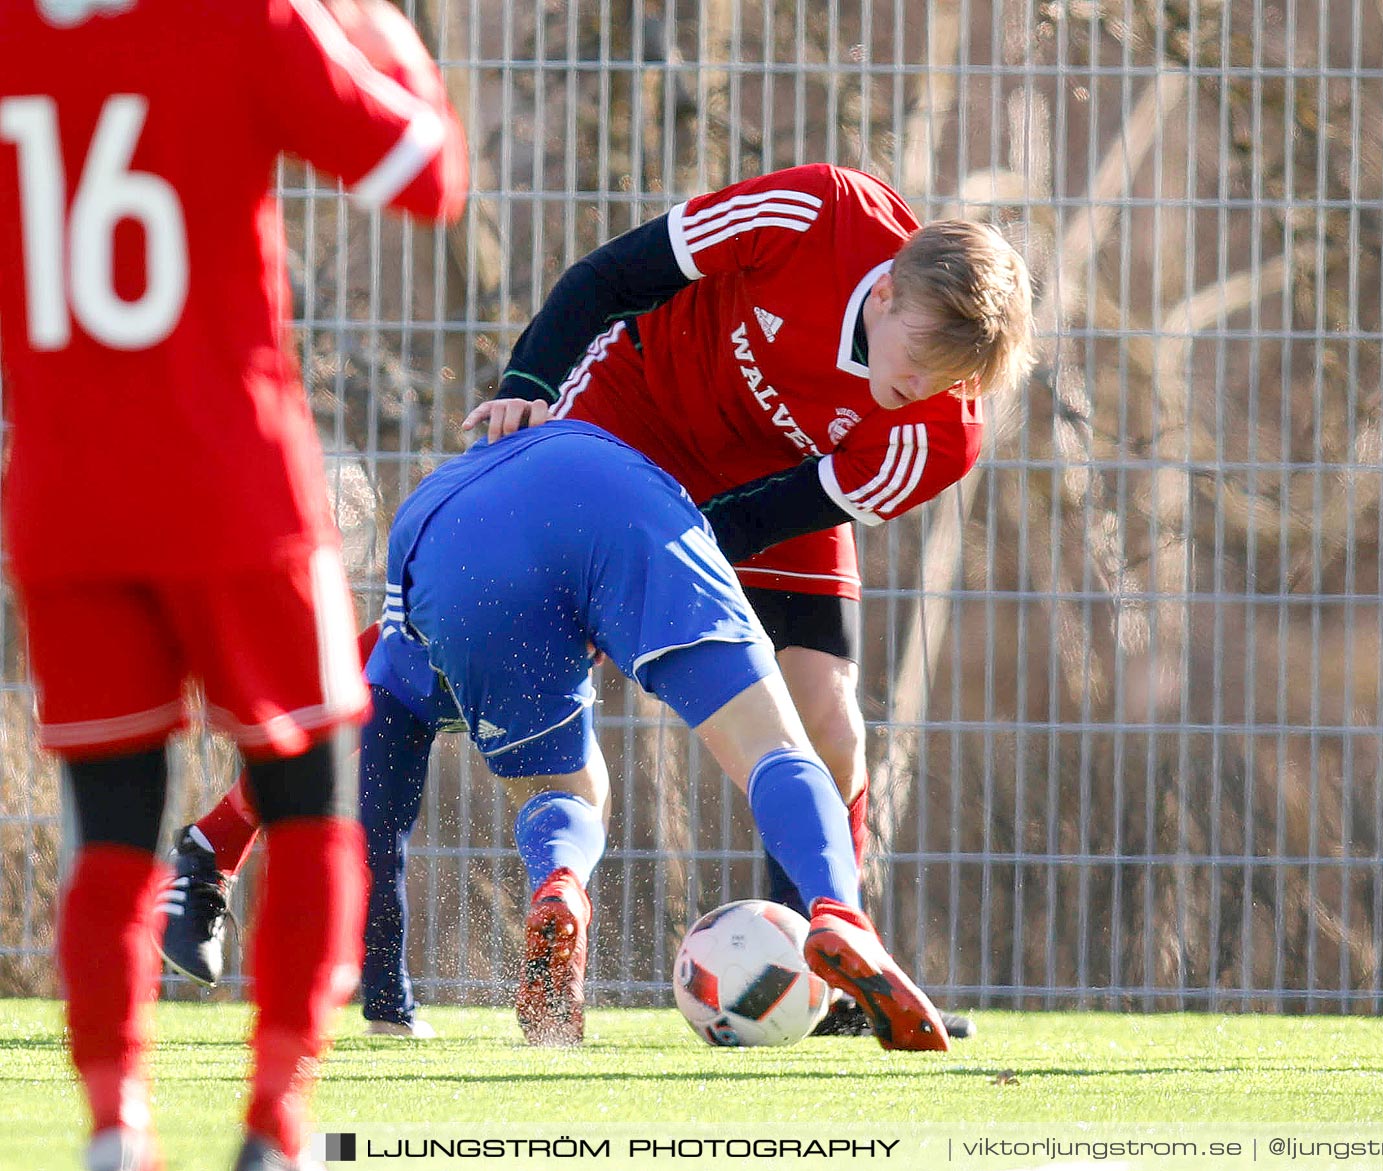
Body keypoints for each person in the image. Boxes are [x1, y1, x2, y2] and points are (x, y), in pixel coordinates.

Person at [161, 163, 1036, 1038]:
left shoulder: (939, 434)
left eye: (949, 382)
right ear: (881, 291)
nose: (922, 393)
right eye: (918, 363)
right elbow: (610, 277)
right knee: (450, 655)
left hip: (766, 492)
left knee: (832, 722)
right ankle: (216, 845)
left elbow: (772, 515)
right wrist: (528, 382)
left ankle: (834, 972)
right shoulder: (817, 214)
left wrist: (665, 570)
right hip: (634, 413)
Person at [0, 0, 467, 1167]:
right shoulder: (241, 20)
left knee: (112, 822)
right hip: (233, 484)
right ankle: (276, 1119)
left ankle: (116, 1126)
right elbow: (430, 173)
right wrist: (374, 26)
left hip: (64, 495)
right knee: (310, 793)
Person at [353, 417, 951, 1050]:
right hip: (625, 499)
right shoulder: (585, 425)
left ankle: (559, 882)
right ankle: (839, 909)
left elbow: (377, 776)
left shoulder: (403, 617)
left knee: (571, 790)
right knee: (773, 746)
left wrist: (386, 996)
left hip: (459, 543)